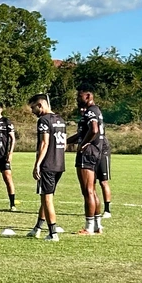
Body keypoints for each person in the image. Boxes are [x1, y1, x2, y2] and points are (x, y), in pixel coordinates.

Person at [27, 94, 67, 241]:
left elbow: (44, 143)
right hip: (59, 164)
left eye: (33, 108)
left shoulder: (43, 120)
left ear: (40, 105)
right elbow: (64, 144)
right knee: (46, 197)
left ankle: (53, 233)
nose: (32, 111)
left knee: (47, 199)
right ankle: (37, 228)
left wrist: (37, 164)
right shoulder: (60, 120)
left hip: (47, 165)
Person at [68, 87, 107, 235]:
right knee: (93, 190)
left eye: (80, 96)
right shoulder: (95, 111)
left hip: (88, 153)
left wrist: (84, 144)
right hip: (96, 152)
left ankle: (88, 227)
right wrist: (67, 141)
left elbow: (94, 130)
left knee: (87, 191)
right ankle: (97, 225)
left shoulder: (91, 110)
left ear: (88, 96)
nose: (78, 98)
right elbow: (82, 133)